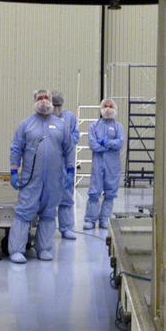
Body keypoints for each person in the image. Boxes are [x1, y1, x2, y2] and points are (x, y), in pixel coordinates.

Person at [9, 89, 73, 263]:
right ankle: (17, 250)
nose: (44, 101)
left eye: (47, 98)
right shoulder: (26, 124)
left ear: (52, 101)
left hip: (54, 180)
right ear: (34, 100)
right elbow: (16, 148)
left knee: (48, 213)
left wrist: (71, 170)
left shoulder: (61, 125)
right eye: (40, 98)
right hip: (31, 179)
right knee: (24, 212)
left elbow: (69, 149)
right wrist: (14, 171)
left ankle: (43, 248)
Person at [84, 98, 125, 230]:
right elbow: (92, 144)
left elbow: (120, 143)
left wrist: (105, 143)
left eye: (110, 106)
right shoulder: (94, 126)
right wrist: (107, 146)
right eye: (105, 106)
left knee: (110, 192)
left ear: (115, 109)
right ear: (101, 109)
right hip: (98, 164)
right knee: (94, 192)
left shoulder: (119, 126)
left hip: (112, 165)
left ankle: (104, 220)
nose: (108, 109)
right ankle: (90, 219)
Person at [51, 90, 80, 240]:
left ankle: (66, 227)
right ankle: (46, 229)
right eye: (54, 105)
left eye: (58, 105)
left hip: (65, 161)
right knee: (47, 199)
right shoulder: (46, 118)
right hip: (49, 163)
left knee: (66, 197)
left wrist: (66, 141)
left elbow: (76, 135)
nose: (56, 108)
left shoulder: (70, 117)